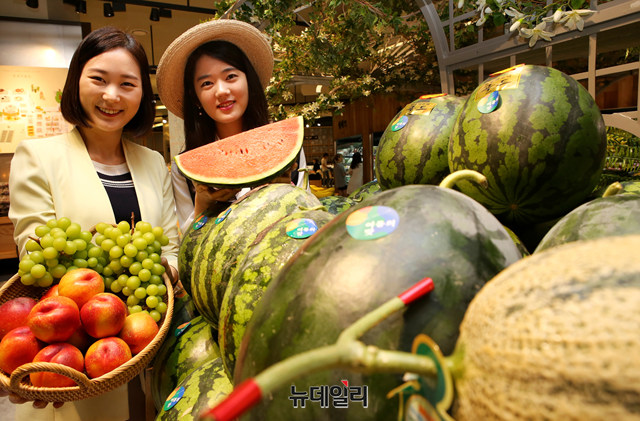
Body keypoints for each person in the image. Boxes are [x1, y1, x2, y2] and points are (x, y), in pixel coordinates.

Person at [5, 26, 179, 421]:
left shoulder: (152, 162)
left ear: (141, 95)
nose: (111, 96)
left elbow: (170, 245)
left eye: (127, 84)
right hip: (79, 353)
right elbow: (35, 251)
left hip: (151, 342)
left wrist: (166, 268)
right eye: (98, 79)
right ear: (75, 82)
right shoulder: (38, 155)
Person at [156, 19, 307, 232]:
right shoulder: (183, 171)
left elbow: (307, 222)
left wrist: (285, 193)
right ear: (196, 98)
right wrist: (202, 203)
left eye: (231, 76)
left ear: (248, 82)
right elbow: (187, 245)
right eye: (207, 83)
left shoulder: (288, 146)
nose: (221, 91)